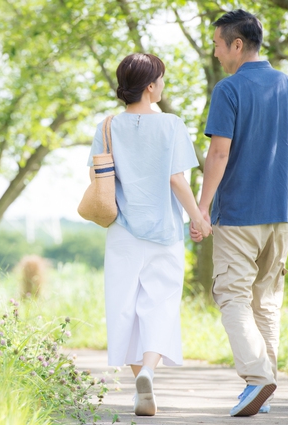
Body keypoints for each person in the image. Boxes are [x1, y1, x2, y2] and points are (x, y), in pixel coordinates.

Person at [191, 9, 288, 417]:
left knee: (231, 295)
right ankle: (263, 393)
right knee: (266, 302)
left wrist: (201, 207)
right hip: (281, 211)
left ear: (237, 45)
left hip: (240, 211)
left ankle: (258, 378)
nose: (215, 51)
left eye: (217, 44)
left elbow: (219, 152)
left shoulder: (230, 89)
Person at [87, 53, 211, 417]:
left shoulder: (107, 126)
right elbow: (177, 180)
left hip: (122, 231)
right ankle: (151, 374)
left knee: (124, 307)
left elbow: (98, 180)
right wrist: (198, 219)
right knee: (160, 304)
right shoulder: (171, 124)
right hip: (164, 231)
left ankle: (140, 380)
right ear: (151, 86)